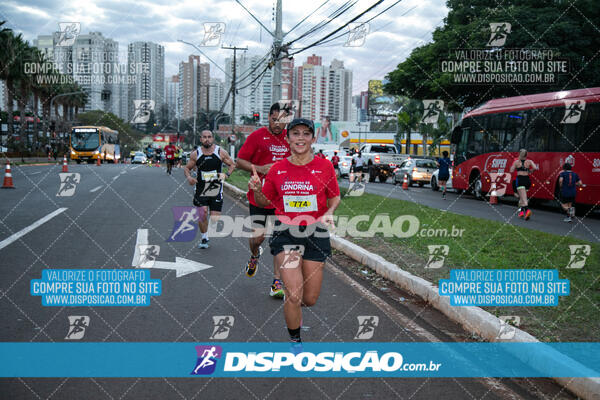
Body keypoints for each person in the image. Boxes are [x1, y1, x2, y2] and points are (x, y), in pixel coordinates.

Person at [248, 118, 340, 343]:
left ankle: (296, 313)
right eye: (295, 133)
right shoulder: (278, 169)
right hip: (286, 233)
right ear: (288, 138)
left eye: (306, 134)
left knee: (308, 299)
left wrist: (330, 211)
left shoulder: (324, 166)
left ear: (313, 138)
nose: (301, 138)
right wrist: (257, 189)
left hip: (316, 233)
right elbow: (263, 201)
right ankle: (295, 343)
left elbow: (334, 196)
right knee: (293, 295)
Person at [236, 103, 291, 298]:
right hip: (259, 196)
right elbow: (239, 161)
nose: (278, 125)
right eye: (274, 120)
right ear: (268, 117)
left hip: (283, 199)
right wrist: (261, 168)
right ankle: (254, 255)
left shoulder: (291, 139)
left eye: (282, 121)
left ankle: (276, 283)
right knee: (258, 238)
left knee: (279, 242)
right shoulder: (257, 136)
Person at [184, 130, 235, 249]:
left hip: (215, 187)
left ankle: (207, 231)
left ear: (213, 138)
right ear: (201, 139)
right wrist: (189, 177)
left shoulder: (220, 152)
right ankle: (204, 238)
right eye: (204, 137)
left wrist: (226, 175)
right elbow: (187, 168)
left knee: (214, 218)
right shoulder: (195, 154)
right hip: (201, 187)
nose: (207, 139)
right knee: (202, 213)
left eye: (209, 137)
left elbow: (232, 164)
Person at [509, 149, 538, 220]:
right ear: (526, 155)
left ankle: (527, 210)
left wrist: (514, 167)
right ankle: (521, 213)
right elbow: (535, 168)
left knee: (523, 199)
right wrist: (530, 171)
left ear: (520, 154)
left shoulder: (516, 162)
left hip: (520, 180)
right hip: (527, 180)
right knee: (523, 197)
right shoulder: (529, 161)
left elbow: (511, 170)